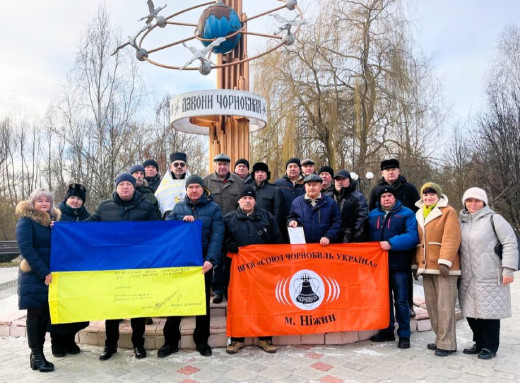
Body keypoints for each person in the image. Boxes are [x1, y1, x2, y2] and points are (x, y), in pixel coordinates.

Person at [87, 173, 161, 361]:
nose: (126, 187)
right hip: (113, 264)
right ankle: (110, 345)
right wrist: (62, 227)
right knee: (112, 305)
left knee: (137, 304)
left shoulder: (145, 206)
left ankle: (138, 344)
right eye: (122, 184)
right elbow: (87, 227)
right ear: (116, 187)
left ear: (134, 187)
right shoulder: (105, 207)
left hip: (138, 264)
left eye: (129, 184)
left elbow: (159, 231)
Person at [158, 175, 224, 358]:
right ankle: (170, 342)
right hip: (181, 264)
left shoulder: (214, 208)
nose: (194, 190)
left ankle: (202, 341)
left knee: (202, 304)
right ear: (186, 190)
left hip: (202, 264)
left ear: (203, 189)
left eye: (197, 187)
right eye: (190, 187)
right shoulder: (178, 208)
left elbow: (217, 236)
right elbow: (166, 230)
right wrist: (180, 223)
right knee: (176, 301)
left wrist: (211, 260)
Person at [458, 187, 518, 360]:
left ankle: (490, 346)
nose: (473, 204)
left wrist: (508, 269)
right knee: (470, 311)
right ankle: (479, 342)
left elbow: (510, 243)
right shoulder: (461, 221)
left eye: (477, 200)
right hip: (467, 274)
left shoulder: (494, 219)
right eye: (469, 200)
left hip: (489, 272)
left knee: (489, 312)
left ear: (484, 202)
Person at [223, 187, 282, 354]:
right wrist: (228, 244)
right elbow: (221, 238)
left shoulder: (267, 217)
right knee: (239, 303)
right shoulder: (229, 219)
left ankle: (265, 338)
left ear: (255, 201)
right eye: (244, 198)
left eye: (250, 198)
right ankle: (237, 339)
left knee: (264, 302)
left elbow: (277, 241)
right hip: (238, 271)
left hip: (263, 271)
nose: (247, 201)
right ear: (239, 201)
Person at [16, 188, 61, 372]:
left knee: (43, 316)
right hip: (34, 276)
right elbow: (27, 249)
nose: (44, 204)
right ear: (32, 203)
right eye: (40, 201)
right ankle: (37, 355)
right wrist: (44, 273)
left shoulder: (51, 223)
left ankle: (36, 356)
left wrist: (55, 229)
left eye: (47, 201)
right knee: (34, 316)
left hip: (47, 277)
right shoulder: (26, 221)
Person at [414, 182, 461, 357]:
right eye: (425, 195)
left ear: (438, 196)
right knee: (432, 306)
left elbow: (452, 237)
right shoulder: (419, 213)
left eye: (432, 194)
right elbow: (418, 242)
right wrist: (416, 264)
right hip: (427, 268)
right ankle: (439, 339)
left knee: (445, 306)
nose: (428, 197)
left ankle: (448, 343)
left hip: (444, 268)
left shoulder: (448, 212)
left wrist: (445, 261)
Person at [368, 187, 419, 349]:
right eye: (383, 196)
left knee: (401, 301)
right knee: (383, 301)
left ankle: (404, 334)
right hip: (378, 267)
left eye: (389, 196)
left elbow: (412, 236)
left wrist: (391, 243)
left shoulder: (407, 214)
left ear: (395, 198)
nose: (386, 199)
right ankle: (387, 330)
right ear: (379, 199)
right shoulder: (372, 215)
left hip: (399, 265)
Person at [369, 158, 420, 318]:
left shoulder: (409, 188)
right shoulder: (376, 189)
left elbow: (418, 211)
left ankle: (409, 306)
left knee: (406, 275)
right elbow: (372, 212)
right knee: (384, 281)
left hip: (404, 239)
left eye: (393, 169)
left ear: (398, 171)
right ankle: (386, 314)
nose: (391, 172)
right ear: (382, 173)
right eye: (387, 170)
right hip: (382, 244)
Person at [50, 183, 90, 357]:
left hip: (80, 269)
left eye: (79, 199)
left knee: (77, 306)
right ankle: (56, 342)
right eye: (72, 197)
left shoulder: (87, 217)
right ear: (67, 198)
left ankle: (70, 339)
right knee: (60, 305)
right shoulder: (55, 215)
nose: (75, 201)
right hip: (60, 268)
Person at [204, 153, 243, 304]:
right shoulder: (206, 181)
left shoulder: (238, 181)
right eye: (219, 164)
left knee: (232, 260)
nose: (222, 167)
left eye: (225, 165)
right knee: (217, 260)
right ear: (214, 165)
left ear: (229, 166)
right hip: (214, 226)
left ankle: (231, 289)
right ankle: (218, 291)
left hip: (233, 226)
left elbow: (242, 201)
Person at [287, 174, 341, 245]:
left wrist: (328, 236)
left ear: (321, 187)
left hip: (324, 247)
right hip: (303, 248)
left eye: (315, 185)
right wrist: (291, 221)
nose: (311, 188)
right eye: (309, 185)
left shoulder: (330, 202)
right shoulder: (296, 202)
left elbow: (337, 222)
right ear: (304, 187)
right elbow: (291, 217)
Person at [332, 170, 368, 243]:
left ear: (349, 181)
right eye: (337, 179)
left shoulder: (358, 197)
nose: (340, 182)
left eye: (343, 179)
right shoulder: (328, 197)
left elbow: (362, 219)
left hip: (350, 240)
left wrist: (355, 238)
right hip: (331, 239)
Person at [274, 157, 305, 239]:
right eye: (290, 166)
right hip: (283, 223)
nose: (292, 169)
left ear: (300, 169)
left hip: (302, 222)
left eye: (295, 166)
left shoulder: (306, 183)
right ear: (286, 169)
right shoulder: (278, 184)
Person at [155, 152, 190, 219]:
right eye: (176, 164)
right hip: (169, 218)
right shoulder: (164, 185)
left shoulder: (192, 182)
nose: (179, 166)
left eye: (182, 164)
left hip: (188, 217)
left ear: (186, 167)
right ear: (171, 167)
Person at [250, 162, 282, 228]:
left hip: (268, 226)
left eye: (263, 172)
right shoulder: (248, 189)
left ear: (267, 174)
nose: (260, 174)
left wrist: (274, 227)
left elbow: (278, 212)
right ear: (254, 174)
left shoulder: (275, 190)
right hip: (251, 226)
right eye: (257, 172)